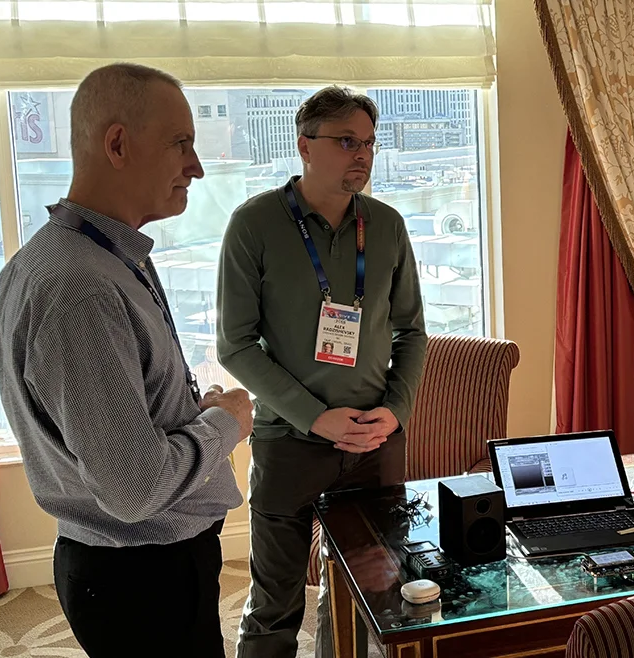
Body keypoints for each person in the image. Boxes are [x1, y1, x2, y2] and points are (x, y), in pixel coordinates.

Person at [0, 63, 254, 658]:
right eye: (180, 143)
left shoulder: (95, 256)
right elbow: (134, 487)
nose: (197, 166)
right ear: (117, 144)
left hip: (142, 566)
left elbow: (117, 425)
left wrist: (192, 411)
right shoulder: (79, 288)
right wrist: (227, 422)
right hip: (143, 578)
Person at [218, 85, 427, 658]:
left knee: (372, 594)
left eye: (370, 143)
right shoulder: (254, 224)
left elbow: (411, 332)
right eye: (347, 142)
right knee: (275, 603)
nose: (363, 155)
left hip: (374, 443)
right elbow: (235, 346)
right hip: (289, 441)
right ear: (305, 146)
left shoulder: (386, 225)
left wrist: (395, 411)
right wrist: (315, 418)